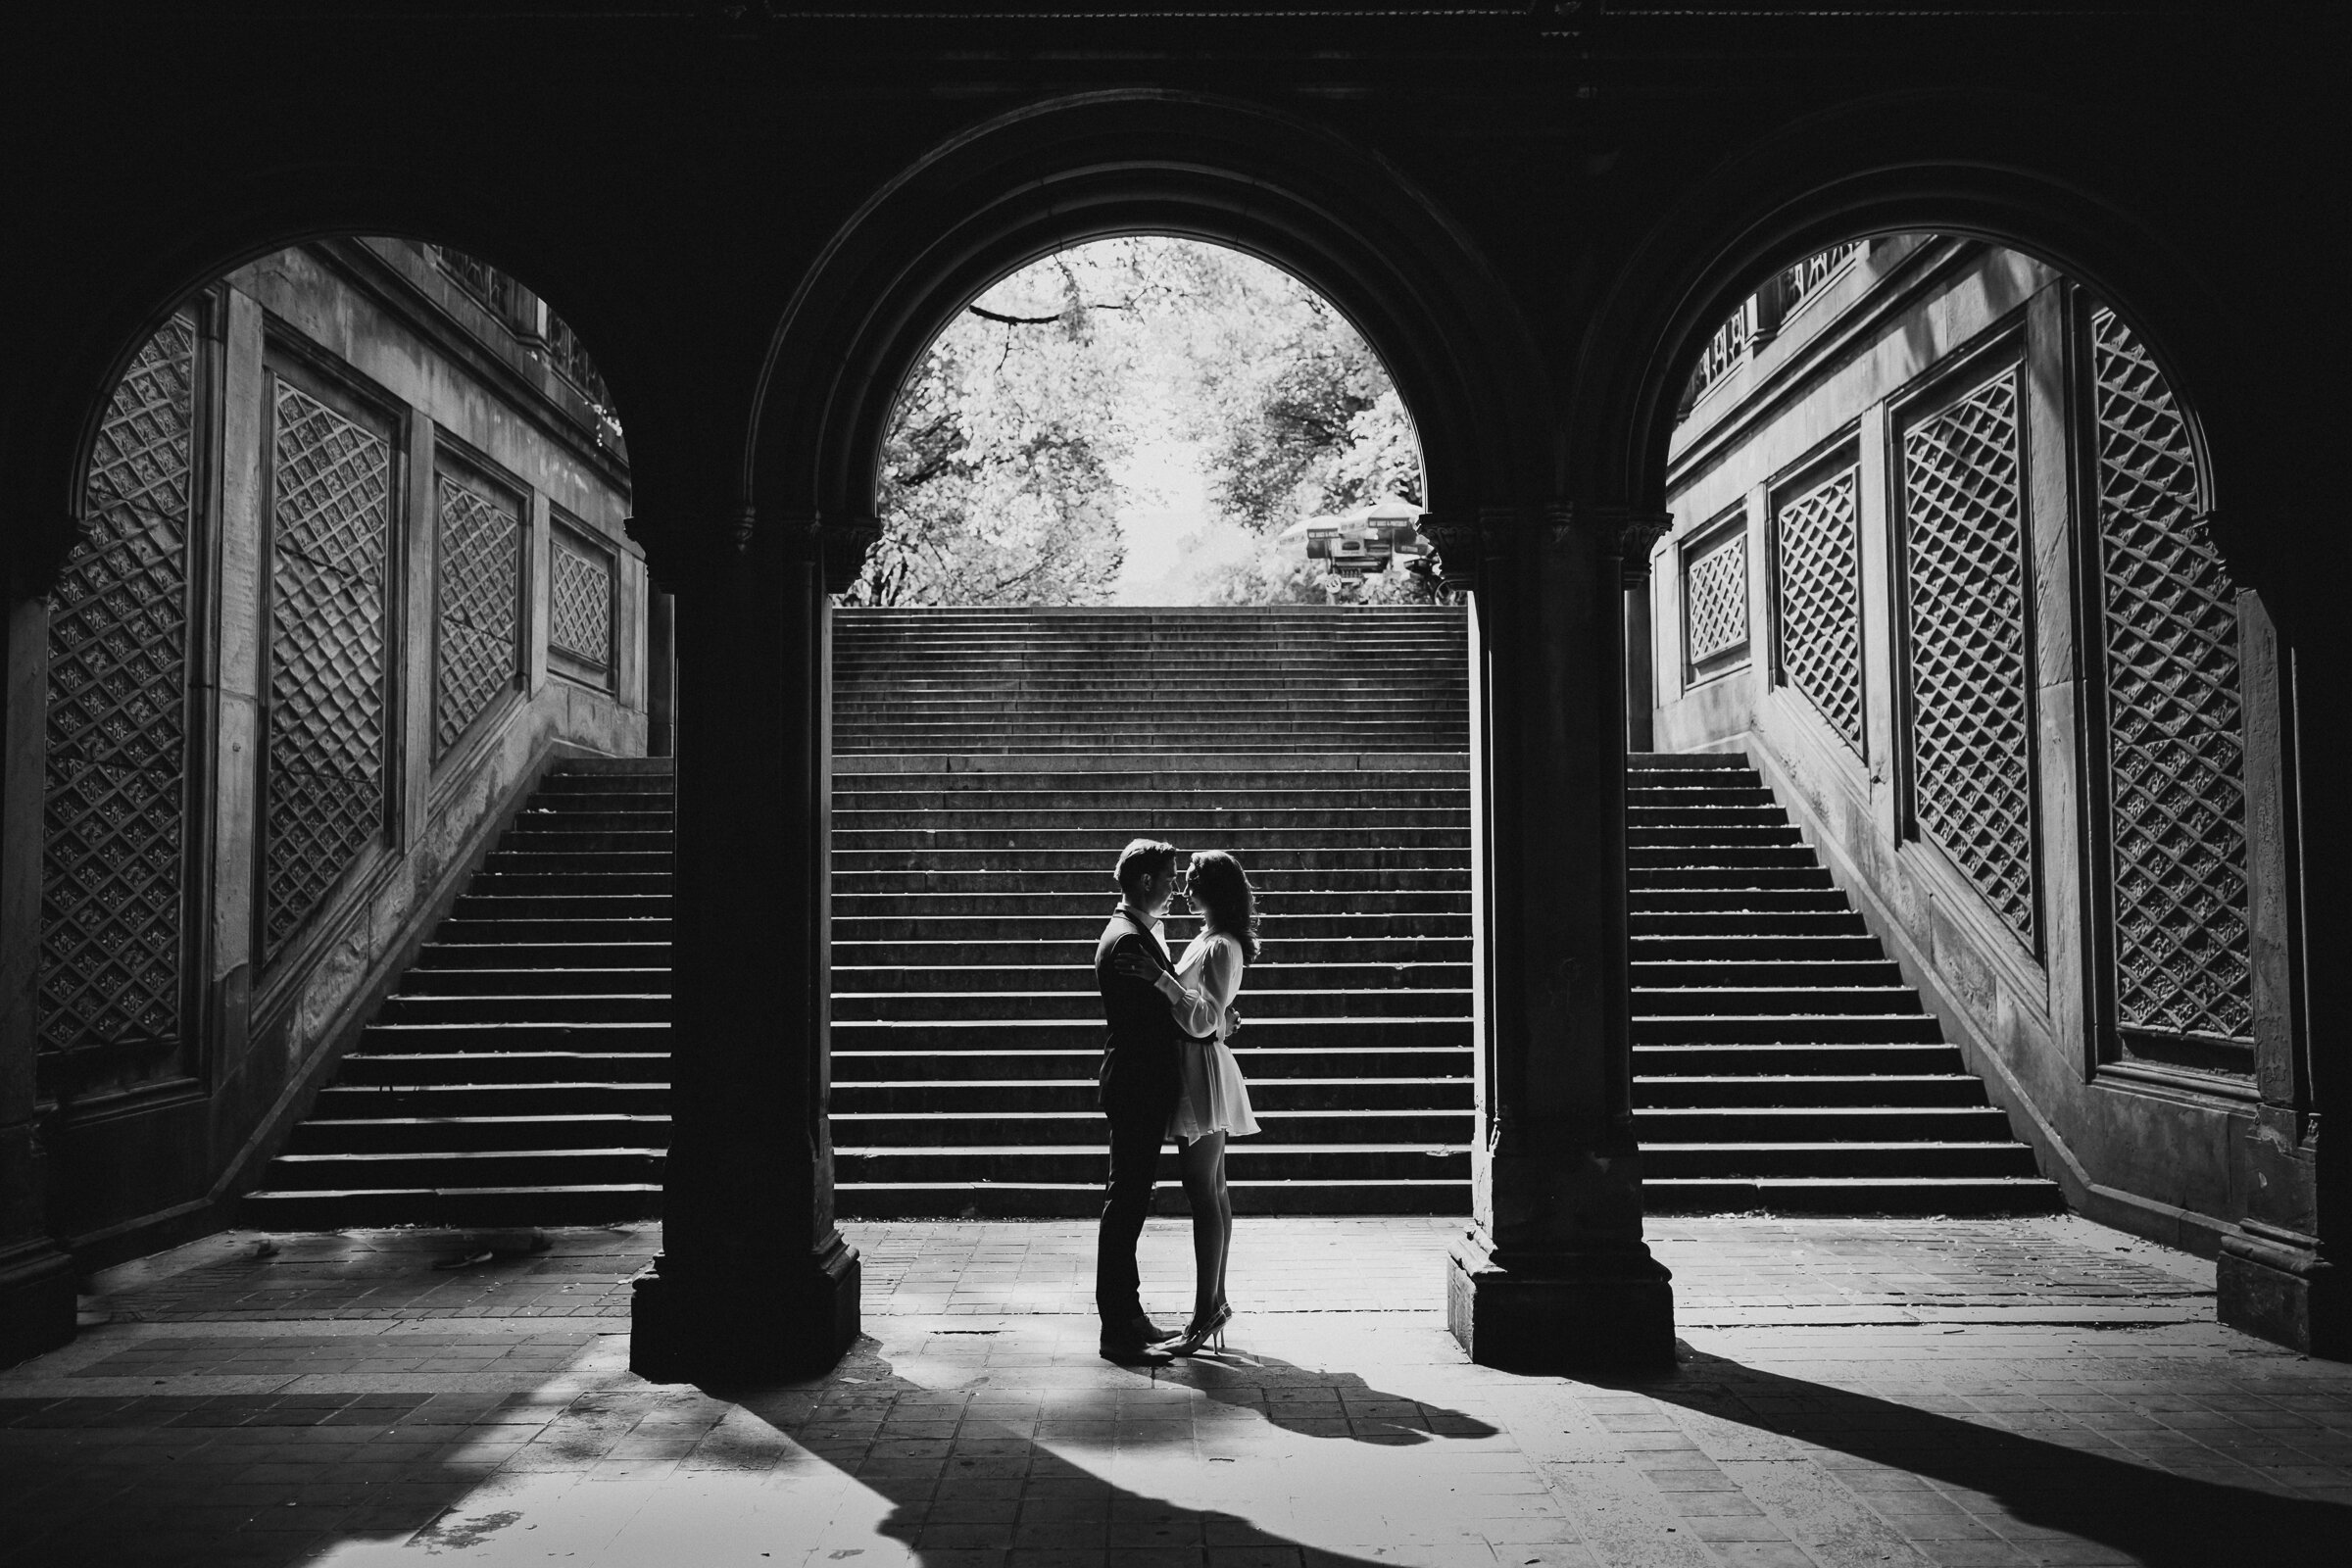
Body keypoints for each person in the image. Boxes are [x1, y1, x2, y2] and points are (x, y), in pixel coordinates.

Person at [1114, 848, 1260, 1357]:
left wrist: (1162, 982)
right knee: (1211, 1188)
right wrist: (1218, 1016)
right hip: (1194, 1066)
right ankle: (1212, 1302)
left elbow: (1203, 1018)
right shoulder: (1207, 938)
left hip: (1201, 1070)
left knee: (1204, 1190)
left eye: (1192, 878)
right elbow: (1215, 1014)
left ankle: (1206, 1310)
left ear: (1211, 888)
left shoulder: (1221, 945)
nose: (1182, 886)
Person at [1092, 838, 1193, 1362]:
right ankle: (1118, 1330)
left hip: (1137, 1083)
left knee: (1129, 1201)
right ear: (1147, 881)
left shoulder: (1134, 934)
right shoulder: (1129, 942)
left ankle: (1129, 1316)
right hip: (1137, 1085)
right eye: (1170, 877)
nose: (1176, 887)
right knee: (1126, 1204)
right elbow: (1166, 1015)